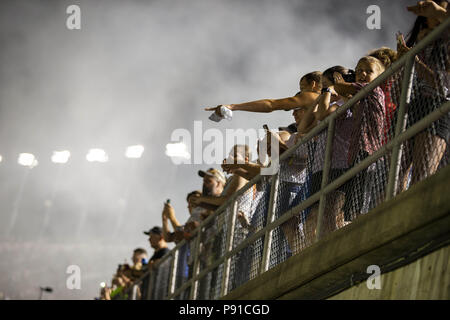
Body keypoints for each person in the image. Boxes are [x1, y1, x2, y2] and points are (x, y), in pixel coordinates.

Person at [397, 0, 449, 186]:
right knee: (394, 177)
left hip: (437, 105)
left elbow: (442, 85)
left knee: (421, 176)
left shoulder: (446, 42)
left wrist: (415, 63)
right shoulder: (418, 43)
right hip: (410, 107)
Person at [333, 56, 387, 221]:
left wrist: (337, 80)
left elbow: (341, 87)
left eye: (369, 71)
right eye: (358, 71)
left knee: (360, 202)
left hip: (368, 152)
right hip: (357, 153)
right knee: (352, 204)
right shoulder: (362, 97)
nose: (362, 74)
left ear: (379, 76)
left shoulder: (373, 89)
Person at [204, 71, 322, 116]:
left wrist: (233, 107)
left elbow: (271, 105)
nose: (301, 92)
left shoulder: (310, 96)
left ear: (313, 84)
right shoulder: (331, 97)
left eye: (302, 87)